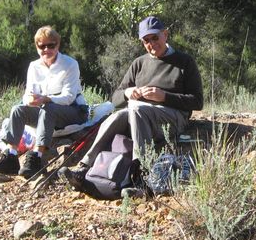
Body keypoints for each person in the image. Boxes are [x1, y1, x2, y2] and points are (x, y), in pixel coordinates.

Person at [59, 15, 203, 189]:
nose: (151, 44)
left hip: (172, 119)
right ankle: (84, 167)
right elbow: (115, 98)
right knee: (116, 116)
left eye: (155, 37)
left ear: (165, 34)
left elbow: (197, 102)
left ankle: (140, 173)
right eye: (146, 40)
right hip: (139, 118)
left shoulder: (185, 62)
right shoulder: (139, 63)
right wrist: (128, 93)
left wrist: (164, 96)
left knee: (136, 109)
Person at [0, 26, 88, 178]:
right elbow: (29, 92)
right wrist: (30, 101)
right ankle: (11, 157)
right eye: (42, 46)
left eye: (51, 45)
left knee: (48, 108)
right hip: (45, 109)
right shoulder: (34, 66)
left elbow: (69, 97)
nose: (46, 49)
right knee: (18, 109)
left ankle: (36, 158)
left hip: (73, 110)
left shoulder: (70, 64)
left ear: (58, 45)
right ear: (37, 47)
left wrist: (46, 99)